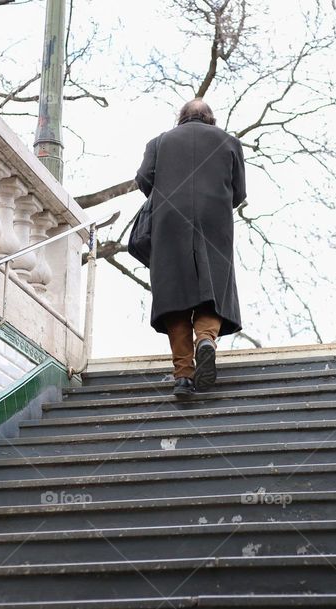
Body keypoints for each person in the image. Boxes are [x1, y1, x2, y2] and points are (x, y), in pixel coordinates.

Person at [135, 99, 247, 397]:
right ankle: (206, 339)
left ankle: (183, 375)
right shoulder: (230, 143)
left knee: (175, 294)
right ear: (211, 118)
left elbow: (143, 178)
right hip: (215, 222)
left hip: (170, 221)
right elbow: (239, 193)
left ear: (180, 118)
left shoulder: (159, 142)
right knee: (214, 287)